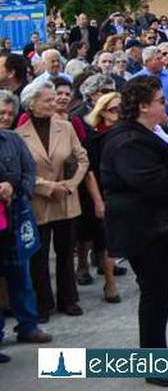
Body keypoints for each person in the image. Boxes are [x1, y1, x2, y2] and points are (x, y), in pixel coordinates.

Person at [101, 77, 168, 386]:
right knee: (156, 294)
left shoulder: (144, 134)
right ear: (143, 106)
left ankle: (157, 355)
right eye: (160, 100)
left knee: (160, 292)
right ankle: (154, 363)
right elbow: (151, 180)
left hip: (155, 230)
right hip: (143, 231)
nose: (166, 104)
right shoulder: (127, 140)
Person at [17, 79, 89, 321]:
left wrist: (69, 185)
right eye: (47, 100)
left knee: (66, 252)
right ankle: (43, 303)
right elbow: (20, 171)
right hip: (39, 202)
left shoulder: (65, 128)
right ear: (31, 104)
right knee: (39, 256)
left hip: (66, 199)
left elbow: (82, 160)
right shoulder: (20, 135)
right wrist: (49, 187)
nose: (53, 103)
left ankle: (69, 299)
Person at [0, 89, 53, 357]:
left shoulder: (13, 140)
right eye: (2, 113)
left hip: (15, 217)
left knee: (20, 272)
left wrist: (16, 188)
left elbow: (29, 171)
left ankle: (28, 325)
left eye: (10, 113)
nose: (7, 117)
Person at [82, 92, 123, 304]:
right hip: (102, 191)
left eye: (120, 109)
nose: (117, 114)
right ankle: (110, 282)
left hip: (125, 191)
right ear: (102, 111)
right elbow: (89, 172)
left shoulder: (126, 133)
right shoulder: (94, 137)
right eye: (112, 109)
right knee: (105, 239)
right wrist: (98, 201)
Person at [129, 46, 168, 115]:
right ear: (147, 61)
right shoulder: (136, 79)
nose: (162, 61)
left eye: (161, 58)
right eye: (158, 59)